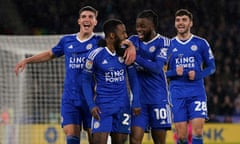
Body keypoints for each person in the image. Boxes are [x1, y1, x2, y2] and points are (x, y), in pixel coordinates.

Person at [14, 6, 136, 144]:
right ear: (79, 21)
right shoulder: (67, 41)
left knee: (95, 139)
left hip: (92, 100)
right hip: (70, 99)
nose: (87, 19)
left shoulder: (100, 42)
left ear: (95, 22)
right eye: (84, 16)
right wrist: (27, 60)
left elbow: (121, 40)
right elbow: (49, 54)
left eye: (91, 17)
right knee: (72, 136)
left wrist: (131, 45)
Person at [81, 19, 141, 144]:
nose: (126, 36)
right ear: (112, 35)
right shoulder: (95, 55)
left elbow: (134, 79)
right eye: (123, 33)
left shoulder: (125, 53)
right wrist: (91, 105)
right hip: (103, 107)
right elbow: (85, 81)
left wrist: (136, 100)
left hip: (122, 106)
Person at [166, 9, 216, 144]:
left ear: (190, 23)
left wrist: (199, 74)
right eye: (178, 20)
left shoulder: (201, 43)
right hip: (177, 93)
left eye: (184, 20)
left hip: (196, 92)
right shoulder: (168, 46)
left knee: (198, 132)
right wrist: (174, 72)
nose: (180, 23)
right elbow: (161, 73)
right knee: (181, 136)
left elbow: (212, 67)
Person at [129, 10, 172, 144]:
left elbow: (156, 68)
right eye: (137, 26)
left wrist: (136, 57)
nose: (139, 29)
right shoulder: (132, 40)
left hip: (158, 98)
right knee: (134, 140)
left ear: (152, 26)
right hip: (139, 100)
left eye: (143, 26)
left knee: (159, 141)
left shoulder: (164, 42)